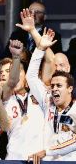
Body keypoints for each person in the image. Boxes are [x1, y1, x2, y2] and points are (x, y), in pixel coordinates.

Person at [26, 27, 76, 162]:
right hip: (46, 161)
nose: (54, 89)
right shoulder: (47, 100)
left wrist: (47, 151)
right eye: (53, 86)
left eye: (59, 86)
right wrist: (40, 49)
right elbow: (31, 77)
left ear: (70, 89)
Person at [0, 39, 45, 160]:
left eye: (19, 71)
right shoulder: (6, 97)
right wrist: (16, 56)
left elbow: (48, 66)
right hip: (13, 158)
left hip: (37, 159)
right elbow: (12, 81)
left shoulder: (39, 94)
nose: (16, 76)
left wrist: (41, 47)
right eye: (12, 72)